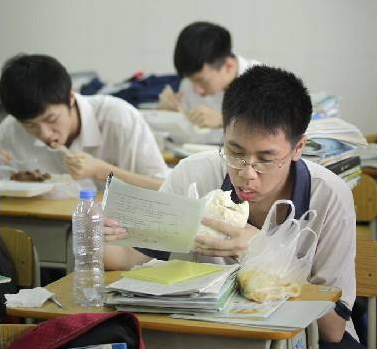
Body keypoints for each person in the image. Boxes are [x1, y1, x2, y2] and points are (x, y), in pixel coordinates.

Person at [105, 65, 361, 347]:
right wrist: (98, 234)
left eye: (265, 159)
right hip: (214, 334)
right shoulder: (193, 175)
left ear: (298, 147)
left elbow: (332, 329)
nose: (247, 173)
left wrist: (262, 251)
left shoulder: (329, 196)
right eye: (235, 152)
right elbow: (130, 257)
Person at [0, 54, 169, 190]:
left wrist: (101, 170)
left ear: (70, 97)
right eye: (31, 125)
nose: (44, 133)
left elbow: (165, 187)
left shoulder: (118, 118)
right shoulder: (11, 129)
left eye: (51, 119)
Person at [158, 21, 260, 129]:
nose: (196, 90)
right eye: (191, 80)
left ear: (228, 66)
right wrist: (167, 115)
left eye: (202, 81)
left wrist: (224, 119)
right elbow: (186, 134)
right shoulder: (189, 83)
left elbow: (274, 132)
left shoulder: (263, 81)